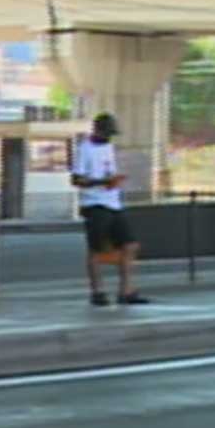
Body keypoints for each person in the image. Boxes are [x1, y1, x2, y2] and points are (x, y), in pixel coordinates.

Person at [71, 112, 149, 306]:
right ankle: (97, 291)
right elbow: (76, 179)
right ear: (96, 130)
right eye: (106, 133)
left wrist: (115, 180)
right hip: (95, 203)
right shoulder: (84, 149)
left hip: (113, 201)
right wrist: (102, 181)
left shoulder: (110, 148)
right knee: (96, 249)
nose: (108, 137)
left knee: (130, 245)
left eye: (111, 134)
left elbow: (110, 170)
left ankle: (126, 291)